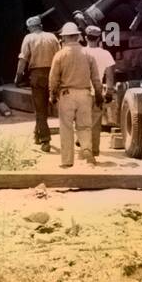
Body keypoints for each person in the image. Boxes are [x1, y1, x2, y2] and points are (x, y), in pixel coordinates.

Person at [48, 22, 102, 168]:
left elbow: (53, 79)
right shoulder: (88, 54)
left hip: (66, 95)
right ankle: (87, 153)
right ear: (78, 36)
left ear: (64, 38)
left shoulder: (59, 55)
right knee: (85, 126)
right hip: (85, 94)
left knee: (66, 127)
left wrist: (52, 95)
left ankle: (67, 161)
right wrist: (99, 95)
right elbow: (96, 79)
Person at [14, 15, 60, 152]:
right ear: (41, 26)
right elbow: (60, 57)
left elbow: (23, 59)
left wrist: (18, 76)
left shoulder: (29, 38)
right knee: (45, 108)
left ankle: (45, 141)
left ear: (31, 28)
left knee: (40, 109)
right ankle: (37, 135)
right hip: (53, 74)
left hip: (37, 76)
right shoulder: (52, 37)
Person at [84, 24, 116, 158]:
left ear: (86, 38)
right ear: (99, 39)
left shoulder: (81, 52)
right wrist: (109, 91)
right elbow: (110, 75)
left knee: (82, 122)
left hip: (82, 92)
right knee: (96, 123)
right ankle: (95, 150)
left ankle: (84, 149)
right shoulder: (106, 54)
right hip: (97, 93)